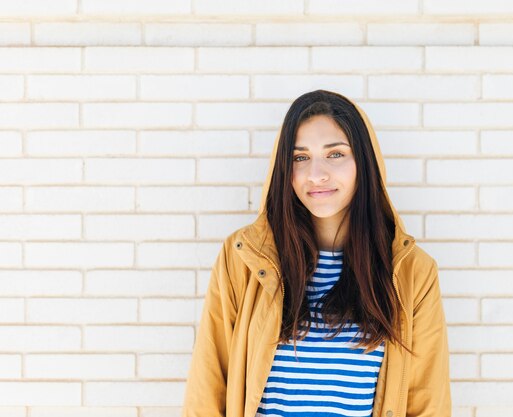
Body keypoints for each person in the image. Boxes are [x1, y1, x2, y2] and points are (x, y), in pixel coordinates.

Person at [181, 90, 451, 417]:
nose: (316, 174)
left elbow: (427, 402)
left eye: (335, 154)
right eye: (300, 157)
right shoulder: (244, 260)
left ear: (363, 163)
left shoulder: (410, 272)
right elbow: (207, 390)